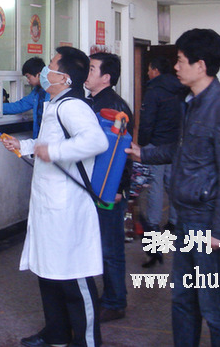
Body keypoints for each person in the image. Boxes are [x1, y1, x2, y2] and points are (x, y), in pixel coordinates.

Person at [126, 29, 220, 347]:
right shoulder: (191, 102)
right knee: (183, 300)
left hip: (208, 221)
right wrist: (144, 153)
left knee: (214, 305)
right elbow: (182, 150)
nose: (176, 67)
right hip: (185, 217)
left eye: (180, 61)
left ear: (201, 65)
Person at [3, 47, 108, 347]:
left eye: (50, 66)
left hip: (67, 208)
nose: (45, 71)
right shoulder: (54, 104)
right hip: (48, 206)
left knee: (73, 277)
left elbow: (96, 141)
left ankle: (87, 341)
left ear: (64, 78)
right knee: (49, 273)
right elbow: (46, 142)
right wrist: (24, 146)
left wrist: (54, 151)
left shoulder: (72, 107)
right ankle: (57, 333)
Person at [83, 52, 134, 323]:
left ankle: (115, 302)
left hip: (108, 189)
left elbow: (122, 154)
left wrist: (119, 189)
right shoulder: (91, 102)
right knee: (98, 244)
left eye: (92, 69)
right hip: (95, 186)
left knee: (110, 248)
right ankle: (105, 297)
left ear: (106, 77)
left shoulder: (115, 109)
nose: (87, 73)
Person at [137, 56, 187, 268]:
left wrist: (142, 143)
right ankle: (174, 221)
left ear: (156, 70)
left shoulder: (154, 91)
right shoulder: (181, 88)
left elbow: (147, 121)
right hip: (175, 143)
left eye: (149, 69)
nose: (148, 72)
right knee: (171, 182)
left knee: (155, 186)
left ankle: (153, 223)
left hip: (156, 145)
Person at [3, 57, 50, 139]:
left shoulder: (53, 92)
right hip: (39, 137)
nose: (28, 80)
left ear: (39, 74)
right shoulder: (36, 93)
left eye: (28, 77)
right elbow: (20, 106)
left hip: (52, 138)